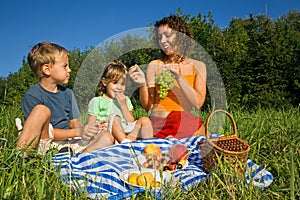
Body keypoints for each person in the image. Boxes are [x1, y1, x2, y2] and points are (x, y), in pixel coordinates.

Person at [16, 41, 114, 156]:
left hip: (69, 142)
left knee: (107, 137)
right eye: (65, 66)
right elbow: (35, 131)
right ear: (47, 69)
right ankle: (20, 155)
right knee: (41, 110)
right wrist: (77, 132)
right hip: (45, 142)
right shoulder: (33, 95)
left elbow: (74, 124)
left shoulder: (68, 93)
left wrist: (89, 129)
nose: (69, 70)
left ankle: (78, 158)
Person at [129, 15, 207, 139]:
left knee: (198, 132)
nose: (163, 41)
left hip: (182, 123)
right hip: (157, 123)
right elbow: (148, 106)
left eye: (167, 35)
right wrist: (142, 84)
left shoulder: (198, 66)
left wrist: (180, 78)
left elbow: (198, 103)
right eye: (160, 37)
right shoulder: (154, 65)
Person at [87, 60, 153, 144]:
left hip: (126, 134)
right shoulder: (97, 101)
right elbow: (90, 126)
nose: (119, 87)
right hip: (108, 135)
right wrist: (99, 126)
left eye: (122, 84)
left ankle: (149, 146)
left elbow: (130, 122)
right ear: (104, 82)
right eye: (115, 83)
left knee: (145, 120)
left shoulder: (126, 100)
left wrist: (123, 105)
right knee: (114, 117)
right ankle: (125, 145)